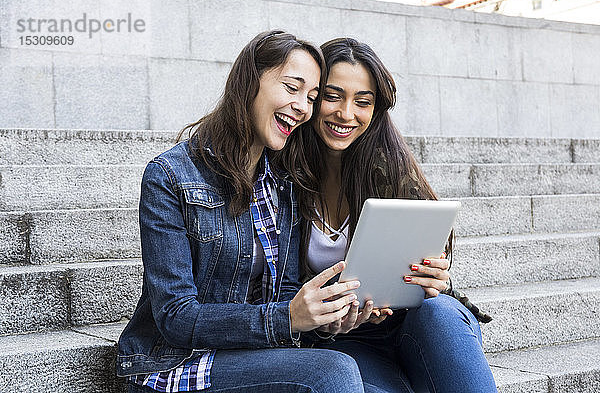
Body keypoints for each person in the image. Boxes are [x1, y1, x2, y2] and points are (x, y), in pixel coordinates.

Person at [116, 31, 366, 393]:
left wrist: (321, 319)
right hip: (176, 363)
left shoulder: (282, 183)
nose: (303, 107)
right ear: (250, 81)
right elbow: (174, 315)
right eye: (292, 88)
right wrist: (285, 319)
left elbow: (288, 291)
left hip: (249, 356)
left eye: (311, 97)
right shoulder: (170, 176)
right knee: (332, 372)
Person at [275, 37, 498, 393]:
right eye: (333, 96)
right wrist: (325, 319)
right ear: (312, 98)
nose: (346, 114)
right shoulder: (282, 178)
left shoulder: (390, 171)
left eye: (362, 102)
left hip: (418, 323)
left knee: (439, 312)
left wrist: (436, 279)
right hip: (345, 339)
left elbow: (430, 271)